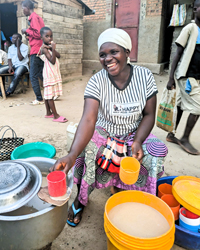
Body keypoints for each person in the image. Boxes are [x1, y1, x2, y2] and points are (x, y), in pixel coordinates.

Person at [51, 28, 168, 227]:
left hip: (134, 131)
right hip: (105, 131)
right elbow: (89, 119)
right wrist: (71, 155)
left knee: (156, 151)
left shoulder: (144, 76)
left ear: (127, 52)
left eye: (114, 52)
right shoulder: (97, 81)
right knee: (87, 149)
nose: (108, 59)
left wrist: (138, 140)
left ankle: (138, 197)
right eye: (103, 55)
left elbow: (149, 114)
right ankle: (82, 198)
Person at [166, 0, 200, 155]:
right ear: (195, 9)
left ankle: (171, 134)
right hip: (187, 76)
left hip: (197, 77)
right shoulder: (190, 28)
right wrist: (171, 78)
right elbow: (177, 54)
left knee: (180, 104)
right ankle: (185, 138)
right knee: (198, 107)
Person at [39, 27, 67, 123]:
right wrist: (53, 49)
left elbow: (59, 56)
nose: (50, 38)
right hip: (49, 74)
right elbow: (53, 61)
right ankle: (55, 115)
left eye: (51, 36)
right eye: (47, 36)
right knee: (49, 95)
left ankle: (48, 113)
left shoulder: (49, 48)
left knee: (47, 94)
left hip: (52, 73)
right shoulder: (43, 49)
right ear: (41, 37)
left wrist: (52, 48)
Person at [21, 0, 45, 105]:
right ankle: (52, 93)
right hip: (40, 48)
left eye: (23, 8)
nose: (23, 11)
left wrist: (26, 30)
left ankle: (39, 98)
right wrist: (29, 35)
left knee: (33, 75)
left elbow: (39, 34)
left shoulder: (34, 17)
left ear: (27, 7)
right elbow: (38, 32)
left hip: (36, 50)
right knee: (41, 73)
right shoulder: (37, 17)